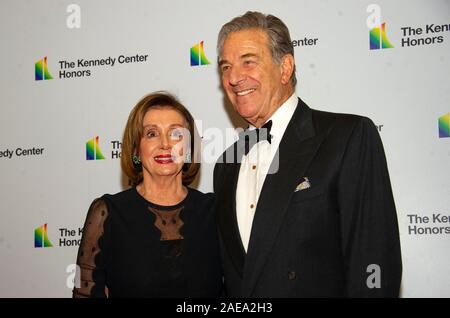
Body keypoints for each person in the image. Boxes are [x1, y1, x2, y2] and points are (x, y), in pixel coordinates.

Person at [213, 11, 402, 297]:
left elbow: (374, 258)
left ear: (285, 67)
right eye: (225, 67)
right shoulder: (226, 163)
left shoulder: (347, 136)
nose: (234, 77)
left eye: (248, 62)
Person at [73, 92, 222, 298]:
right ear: (136, 149)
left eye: (176, 134)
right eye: (152, 134)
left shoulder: (216, 211)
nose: (165, 144)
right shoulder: (108, 214)